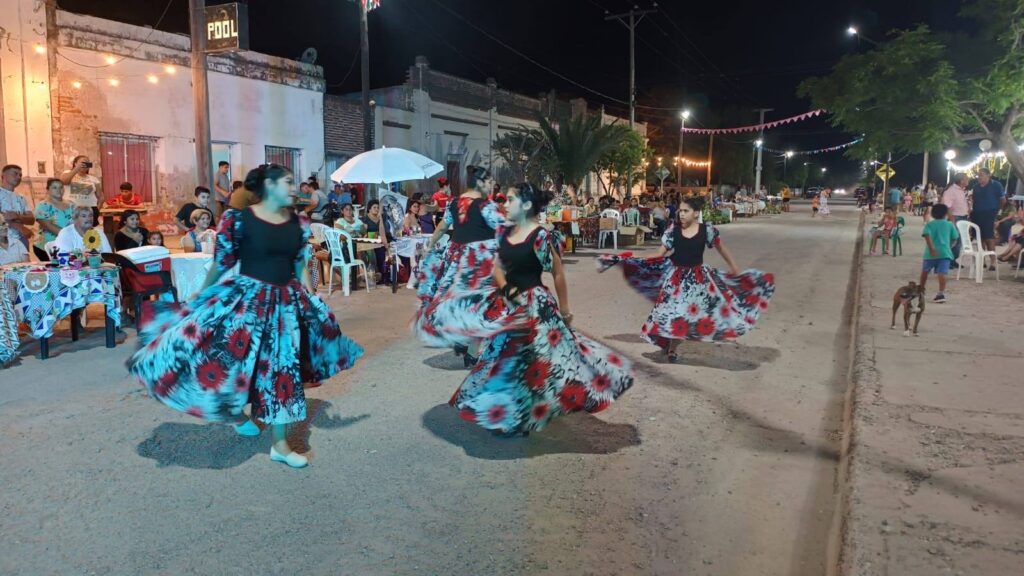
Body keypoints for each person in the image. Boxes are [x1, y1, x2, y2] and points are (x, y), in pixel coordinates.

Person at [127, 164, 364, 469]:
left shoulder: (299, 222)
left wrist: (310, 293)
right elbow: (222, 263)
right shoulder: (238, 220)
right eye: (287, 181)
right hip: (247, 303)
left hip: (285, 307)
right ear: (268, 185)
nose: (294, 187)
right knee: (227, 362)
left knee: (283, 371)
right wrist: (201, 293)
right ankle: (235, 413)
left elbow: (298, 262)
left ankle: (280, 445)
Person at [430, 183, 634, 436]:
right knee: (501, 358)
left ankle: (526, 413)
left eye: (511, 200)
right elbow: (497, 268)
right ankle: (509, 411)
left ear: (526, 205)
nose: (505, 205)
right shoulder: (505, 233)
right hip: (509, 306)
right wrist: (507, 289)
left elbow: (557, 273)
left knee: (539, 361)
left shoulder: (540, 236)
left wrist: (565, 310)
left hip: (536, 306)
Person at [599, 196, 775, 363]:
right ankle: (668, 343)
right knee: (668, 313)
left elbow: (721, 249)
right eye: (680, 211)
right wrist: (632, 258)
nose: (681, 214)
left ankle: (672, 349)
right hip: (675, 279)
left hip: (697, 281)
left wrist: (734, 267)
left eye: (686, 211)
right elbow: (659, 254)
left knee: (686, 315)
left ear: (696, 213)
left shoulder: (707, 230)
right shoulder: (673, 231)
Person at [415, 165, 503, 366]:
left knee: (459, 302)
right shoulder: (486, 206)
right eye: (489, 182)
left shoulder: (454, 202)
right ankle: (471, 352)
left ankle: (461, 339)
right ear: (480, 183)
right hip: (480, 261)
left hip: (457, 258)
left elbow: (442, 227)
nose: (491, 186)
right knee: (481, 305)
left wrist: (430, 245)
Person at [921, 204, 959, 304]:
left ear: (932, 214)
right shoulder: (949, 225)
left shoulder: (930, 224)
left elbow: (926, 235)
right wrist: (949, 246)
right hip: (945, 253)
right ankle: (941, 294)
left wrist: (931, 248)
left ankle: (921, 290)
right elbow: (955, 238)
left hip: (930, 253)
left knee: (925, 272)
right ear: (946, 213)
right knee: (942, 273)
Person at [970, 167, 1006, 270]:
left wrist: (997, 211)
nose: (979, 177)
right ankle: (982, 260)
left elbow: (1003, 200)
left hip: (990, 214)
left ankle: (993, 261)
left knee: (989, 237)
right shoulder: (976, 187)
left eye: (981, 174)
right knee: (979, 237)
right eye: (978, 175)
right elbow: (974, 200)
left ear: (988, 175)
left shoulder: (996, 185)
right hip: (977, 214)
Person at [32, 177, 75, 261]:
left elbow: (78, 222)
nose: (58, 190)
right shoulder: (43, 205)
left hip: (68, 244)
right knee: (55, 267)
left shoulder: (72, 204)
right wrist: (69, 237)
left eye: (61, 187)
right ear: (48, 190)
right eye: (54, 187)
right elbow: (48, 226)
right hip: (46, 246)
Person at [60, 156, 103, 227]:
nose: (85, 164)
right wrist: (76, 169)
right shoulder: (67, 173)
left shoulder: (93, 178)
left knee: (89, 232)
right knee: (71, 229)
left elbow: (101, 197)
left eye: (87, 163)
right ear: (75, 163)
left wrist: (96, 211)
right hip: (71, 209)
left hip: (90, 209)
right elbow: (64, 181)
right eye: (82, 162)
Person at [1, 164, 36, 250]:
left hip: (21, 240)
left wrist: (18, 216)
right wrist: (21, 228)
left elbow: (31, 219)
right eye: (15, 174)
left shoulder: (21, 197)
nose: (18, 177)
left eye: (20, 175)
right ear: (3, 176)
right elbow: (2, 218)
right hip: (3, 240)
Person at [940, 173, 970, 267]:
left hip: (962, 217)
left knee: (960, 240)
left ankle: (953, 259)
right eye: (966, 179)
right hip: (955, 217)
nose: (968, 180)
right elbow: (947, 206)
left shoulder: (961, 190)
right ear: (961, 181)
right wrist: (952, 219)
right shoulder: (951, 191)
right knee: (953, 240)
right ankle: (947, 260)